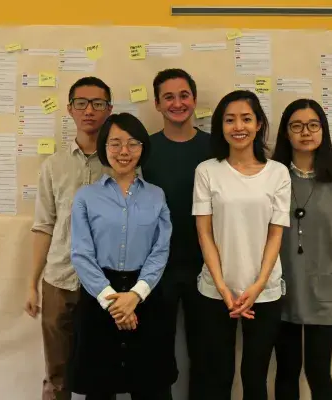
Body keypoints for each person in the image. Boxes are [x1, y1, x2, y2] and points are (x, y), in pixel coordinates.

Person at [69, 113, 176, 400]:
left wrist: (135, 296)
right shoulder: (85, 197)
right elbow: (81, 253)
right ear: (104, 148)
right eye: (115, 144)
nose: (124, 152)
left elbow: (160, 250)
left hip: (147, 296)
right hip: (99, 296)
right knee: (100, 389)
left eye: (132, 143)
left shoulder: (156, 196)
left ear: (143, 149)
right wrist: (113, 303)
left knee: (152, 388)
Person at [192, 90, 291, 400]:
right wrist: (223, 289)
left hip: (264, 291)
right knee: (217, 375)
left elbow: (276, 234)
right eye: (230, 120)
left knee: (255, 376)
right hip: (215, 291)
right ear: (221, 126)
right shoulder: (207, 171)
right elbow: (204, 233)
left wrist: (258, 286)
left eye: (246, 119)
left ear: (259, 124)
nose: (239, 127)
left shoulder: (278, 173)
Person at [25, 77, 113, 400]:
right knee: (57, 374)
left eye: (98, 103)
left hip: (106, 283)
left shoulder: (121, 163)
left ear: (109, 110)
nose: (89, 110)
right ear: (69, 109)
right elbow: (43, 226)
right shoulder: (53, 166)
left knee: (102, 374)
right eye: (81, 103)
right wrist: (31, 284)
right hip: (59, 279)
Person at [271, 98, 332, 400]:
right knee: (286, 370)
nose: (305, 132)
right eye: (297, 126)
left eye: (313, 125)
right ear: (286, 133)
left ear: (323, 131)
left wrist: (319, 260)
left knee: (318, 371)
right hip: (283, 287)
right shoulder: (273, 177)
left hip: (325, 288)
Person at [141, 68, 212, 400]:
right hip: (157, 270)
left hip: (208, 268)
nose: (177, 103)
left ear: (194, 100)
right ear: (157, 104)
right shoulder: (145, 150)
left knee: (206, 356)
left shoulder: (215, 148)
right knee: (157, 358)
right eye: (168, 96)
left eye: (184, 95)